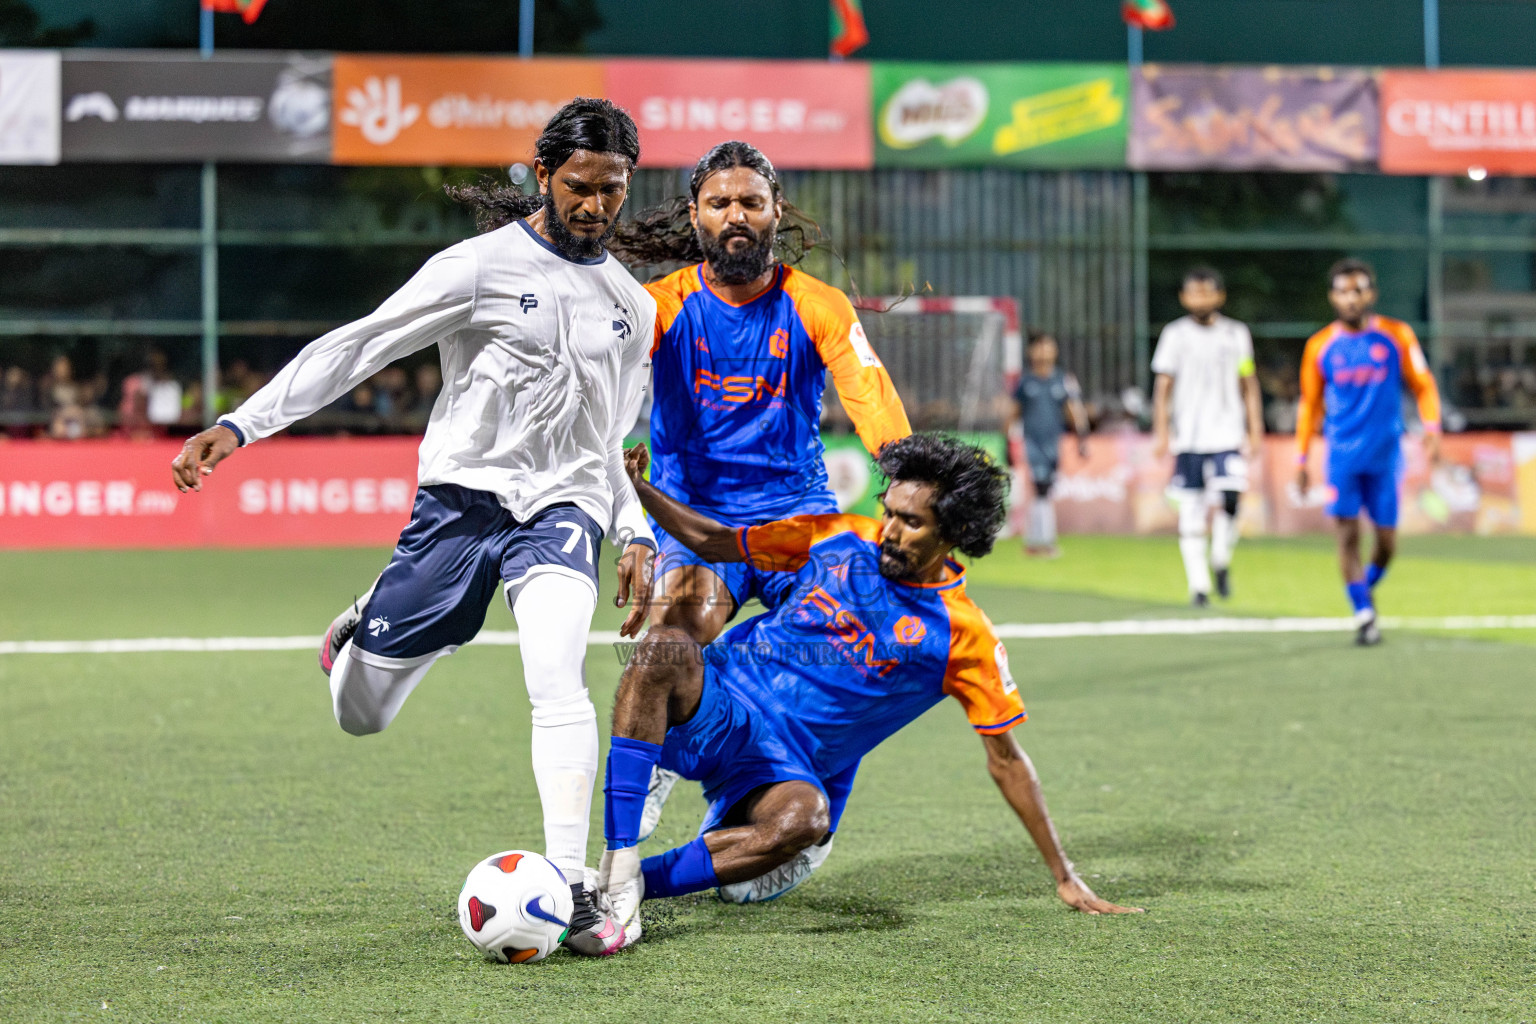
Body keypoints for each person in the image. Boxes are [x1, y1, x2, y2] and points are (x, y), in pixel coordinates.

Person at [170, 98, 658, 956]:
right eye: (580, 187)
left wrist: (637, 531)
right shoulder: (477, 268)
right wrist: (241, 424)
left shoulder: (631, 306)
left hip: (561, 511)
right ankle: (363, 626)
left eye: (613, 191)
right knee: (362, 715)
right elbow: (360, 345)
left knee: (557, 673)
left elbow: (611, 440)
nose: (596, 207)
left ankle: (573, 884)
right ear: (542, 175)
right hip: (461, 505)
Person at [584, 433, 1140, 950]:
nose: (890, 532)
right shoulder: (842, 533)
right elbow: (717, 541)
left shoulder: (963, 636)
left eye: (911, 523)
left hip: (781, 769)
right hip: (717, 706)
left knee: (803, 819)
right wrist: (638, 489)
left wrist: (1065, 877)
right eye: (889, 514)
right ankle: (615, 862)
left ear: (954, 533)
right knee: (664, 646)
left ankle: (637, 885)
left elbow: (1007, 761)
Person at [609, 141, 911, 894]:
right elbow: (606, 411)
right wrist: (628, 520)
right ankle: (658, 764)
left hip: (794, 523)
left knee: (853, 655)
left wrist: (905, 478)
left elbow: (872, 401)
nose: (736, 216)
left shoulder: (816, 304)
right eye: (720, 203)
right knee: (672, 639)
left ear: (775, 211)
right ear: (695, 216)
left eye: (750, 202)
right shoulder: (660, 307)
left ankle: (803, 826)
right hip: (693, 520)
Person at [1295, 259, 1441, 646]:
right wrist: (1301, 457)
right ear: (1332, 297)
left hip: (1384, 455)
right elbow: (1309, 406)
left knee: (1387, 542)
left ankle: (1365, 586)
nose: (1351, 298)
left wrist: (1432, 427)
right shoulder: (1319, 346)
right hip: (1341, 457)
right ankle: (1363, 614)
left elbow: (1423, 385)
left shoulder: (1397, 336)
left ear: (1371, 294)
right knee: (1346, 537)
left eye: (1358, 290)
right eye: (1343, 291)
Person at [1151, 267, 1264, 605]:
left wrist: (1255, 427)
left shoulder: (1236, 334)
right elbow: (1163, 387)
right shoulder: (1175, 335)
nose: (1200, 298)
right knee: (1192, 509)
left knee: (1231, 498)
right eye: (1194, 292)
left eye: (1207, 291)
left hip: (1228, 433)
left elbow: (1248, 382)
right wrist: (1161, 431)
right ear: (1184, 297)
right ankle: (1198, 585)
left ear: (1220, 295)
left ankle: (1220, 558)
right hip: (1189, 437)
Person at [1008, 329, 1089, 558]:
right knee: (1041, 488)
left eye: (1048, 346)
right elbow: (1012, 413)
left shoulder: (1063, 379)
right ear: (1031, 351)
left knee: (1044, 489)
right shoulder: (1026, 381)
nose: (1044, 351)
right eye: (1040, 346)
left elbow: (1073, 409)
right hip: (1032, 442)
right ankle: (1046, 541)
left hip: (1054, 442)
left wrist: (1081, 436)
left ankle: (1034, 542)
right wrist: (1007, 441)